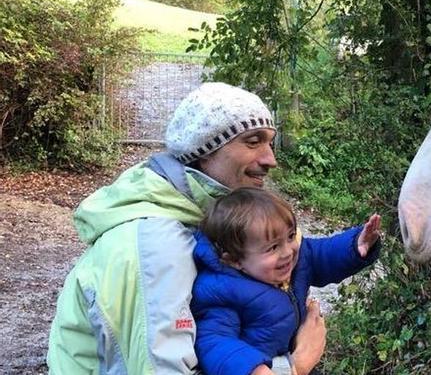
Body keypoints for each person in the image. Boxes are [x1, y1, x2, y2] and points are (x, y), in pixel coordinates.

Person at [47, 82, 327, 374]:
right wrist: (294, 366)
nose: (271, 159)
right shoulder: (155, 247)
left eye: (269, 143)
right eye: (253, 141)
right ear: (205, 150)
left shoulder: (208, 216)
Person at [191, 188, 381, 375]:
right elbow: (214, 341)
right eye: (273, 247)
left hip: (293, 357)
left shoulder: (295, 260)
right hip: (270, 367)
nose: (288, 252)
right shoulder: (223, 291)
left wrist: (355, 245)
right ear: (235, 260)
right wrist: (253, 369)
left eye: (290, 236)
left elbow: (322, 254)